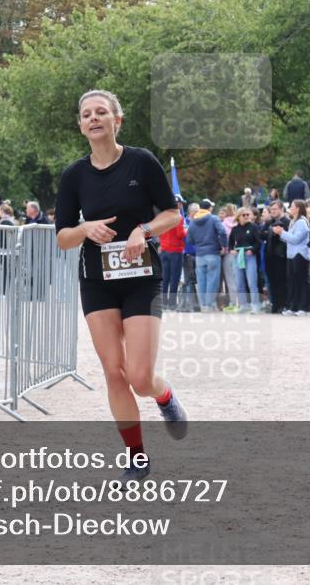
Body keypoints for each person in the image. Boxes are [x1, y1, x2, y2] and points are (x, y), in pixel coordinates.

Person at [55, 89, 186, 486]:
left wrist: (142, 230)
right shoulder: (74, 176)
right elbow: (62, 236)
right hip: (97, 281)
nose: (93, 118)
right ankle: (137, 459)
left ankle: (164, 397)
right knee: (114, 371)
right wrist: (84, 228)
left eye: (101, 112)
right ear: (81, 125)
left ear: (117, 120)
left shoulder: (141, 162)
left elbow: (171, 214)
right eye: (86, 114)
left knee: (140, 376)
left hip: (141, 278)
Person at [273, 199, 310, 315]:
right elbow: (290, 238)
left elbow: (296, 239)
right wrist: (281, 233)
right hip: (291, 255)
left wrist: (282, 233)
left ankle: (305, 308)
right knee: (292, 282)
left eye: (292, 206)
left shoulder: (302, 222)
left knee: (302, 281)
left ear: (298, 209)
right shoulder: (293, 221)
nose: (290, 207)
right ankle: (293, 306)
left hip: (300, 255)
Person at [186, 199, 227, 312]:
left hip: (199, 255)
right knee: (212, 280)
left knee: (202, 281)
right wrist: (224, 245)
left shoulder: (193, 222)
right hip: (213, 253)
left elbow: (189, 240)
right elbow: (222, 232)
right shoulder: (213, 218)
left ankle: (203, 305)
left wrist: (198, 244)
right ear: (209, 209)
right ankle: (210, 304)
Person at [228, 207, 262, 313]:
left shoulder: (253, 227)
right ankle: (243, 305)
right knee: (239, 282)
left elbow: (258, 242)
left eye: (248, 214)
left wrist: (253, 250)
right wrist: (231, 250)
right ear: (238, 217)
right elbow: (230, 243)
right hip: (238, 255)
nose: (247, 216)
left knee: (252, 281)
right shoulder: (235, 229)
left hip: (249, 255)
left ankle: (255, 305)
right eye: (244, 215)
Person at [263, 201, 291, 314]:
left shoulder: (288, 222)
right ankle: (276, 304)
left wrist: (277, 233)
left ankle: (284, 304)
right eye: (271, 209)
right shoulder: (269, 222)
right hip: (270, 256)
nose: (273, 211)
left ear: (281, 209)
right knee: (272, 281)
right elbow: (262, 234)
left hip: (282, 256)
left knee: (282, 281)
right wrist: (271, 232)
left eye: (275, 209)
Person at [159, 199, 186, 311]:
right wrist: (187, 231)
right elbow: (180, 234)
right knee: (175, 278)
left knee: (165, 278)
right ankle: (172, 303)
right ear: (177, 204)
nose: (181, 205)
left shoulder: (162, 217)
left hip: (164, 250)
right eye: (180, 203)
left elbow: (159, 232)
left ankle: (164, 303)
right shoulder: (178, 217)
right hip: (175, 250)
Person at [218, 204, 238, 311]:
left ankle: (233, 303)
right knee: (238, 279)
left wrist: (223, 249)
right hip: (238, 253)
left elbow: (222, 238)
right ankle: (240, 302)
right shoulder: (238, 223)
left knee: (229, 280)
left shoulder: (223, 224)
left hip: (227, 254)